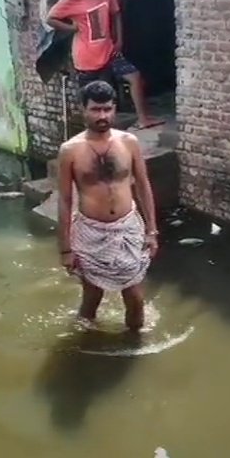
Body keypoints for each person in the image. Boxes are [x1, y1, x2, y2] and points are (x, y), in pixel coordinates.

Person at [57, 80, 159, 332]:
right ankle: (83, 345)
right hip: (91, 232)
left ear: (114, 108)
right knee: (92, 297)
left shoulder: (129, 142)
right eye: (95, 109)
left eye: (107, 109)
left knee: (135, 298)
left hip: (127, 229)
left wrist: (152, 231)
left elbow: (143, 186)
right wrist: (65, 249)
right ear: (83, 109)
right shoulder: (70, 150)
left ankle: (134, 346)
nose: (102, 115)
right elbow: (65, 200)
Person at [47, 0, 160, 129]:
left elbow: (116, 15)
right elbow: (51, 18)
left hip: (109, 51)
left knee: (134, 77)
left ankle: (143, 119)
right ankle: (93, 132)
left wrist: (119, 39)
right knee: (92, 97)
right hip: (87, 59)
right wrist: (71, 28)